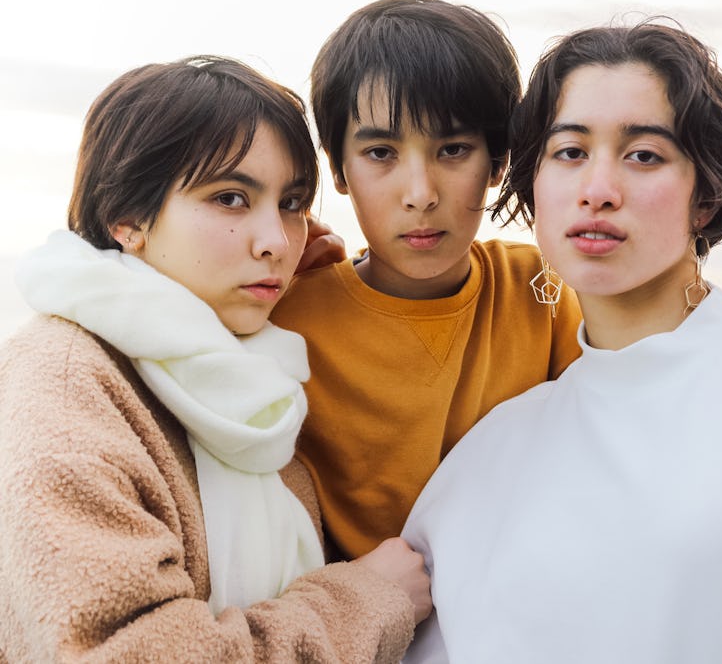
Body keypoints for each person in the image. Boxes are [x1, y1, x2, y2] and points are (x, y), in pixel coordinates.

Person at [402, 20, 722, 663]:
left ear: (705, 196)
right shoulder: (484, 463)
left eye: (644, 155)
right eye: (570, 152)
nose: (597, 191)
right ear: (533, 184)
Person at [0, 55, 431, 663]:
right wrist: (364, 601)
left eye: (292, 203)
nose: (276, 242)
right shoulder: (66, 386)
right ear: (126, 218)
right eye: (230, 198)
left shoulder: (245, 378)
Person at [271, 0, 583, 560]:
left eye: (454, 149)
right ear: (338, 168)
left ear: (498, 161)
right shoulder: (287, 321)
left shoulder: (545, 290)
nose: (421, 194)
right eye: (381, 153)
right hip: (358, 621)